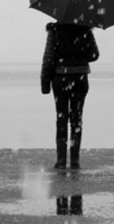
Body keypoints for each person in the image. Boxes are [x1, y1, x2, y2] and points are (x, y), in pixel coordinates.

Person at [41, 22, 99, 169]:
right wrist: (79, 53)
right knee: (76, 119)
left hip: (61, 79)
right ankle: (75, 160)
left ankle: (61, 161)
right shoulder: (85, 29)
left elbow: (48, 57)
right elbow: (94, 54)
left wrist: (45, 84)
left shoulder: (55, 30)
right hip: (80, 79)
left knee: (61, 118)